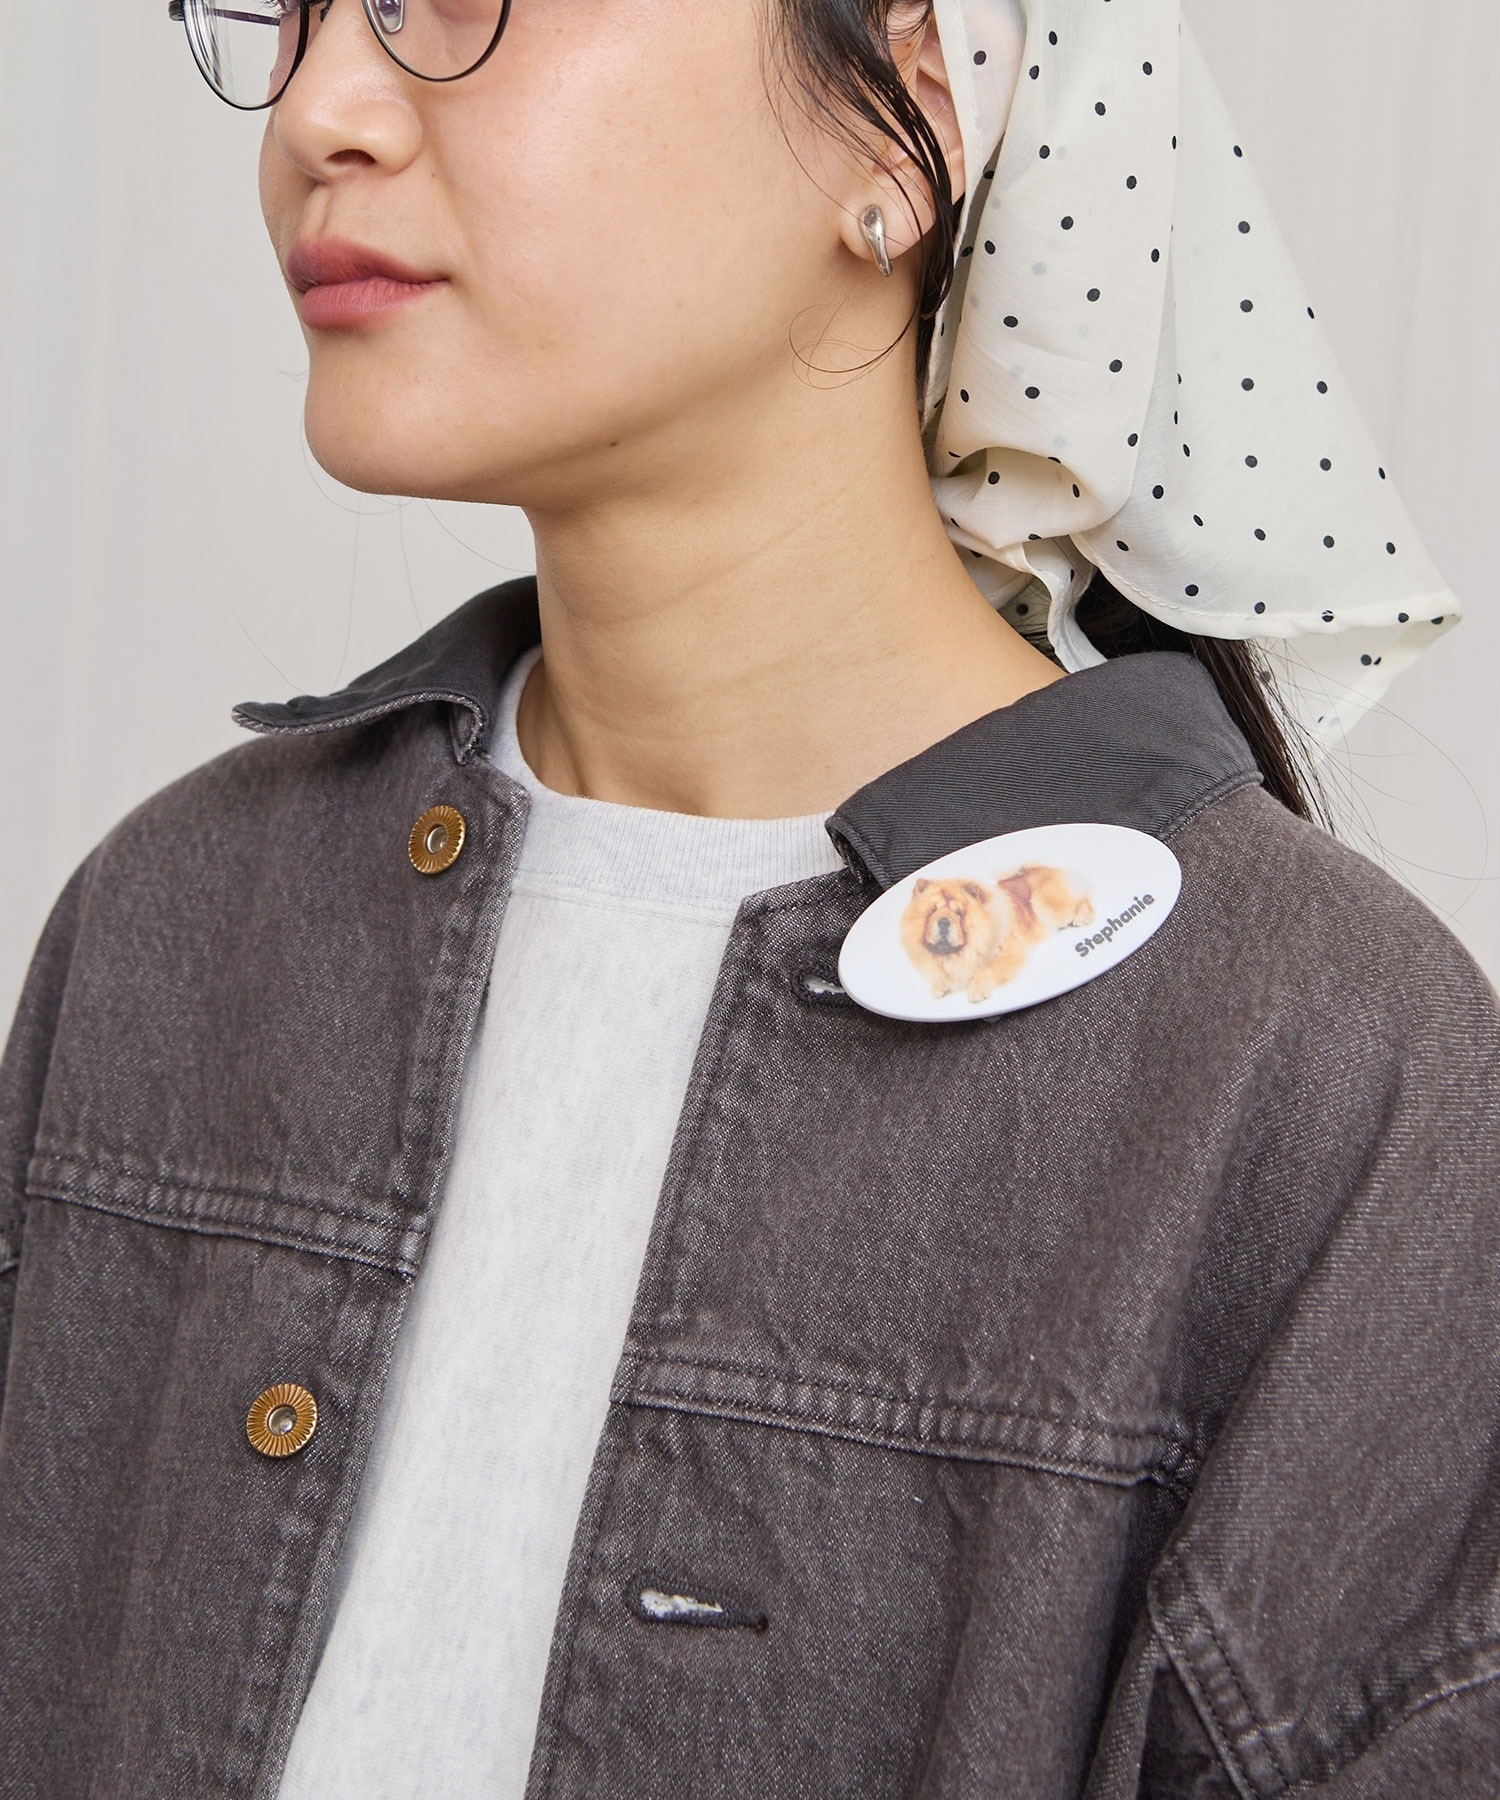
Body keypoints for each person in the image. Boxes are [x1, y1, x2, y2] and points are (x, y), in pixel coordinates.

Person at [1, 0, 1495, 1794]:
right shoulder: (173, 927)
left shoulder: (1326, 1077)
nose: (317, 113)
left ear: (903, 121)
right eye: (300, 13)